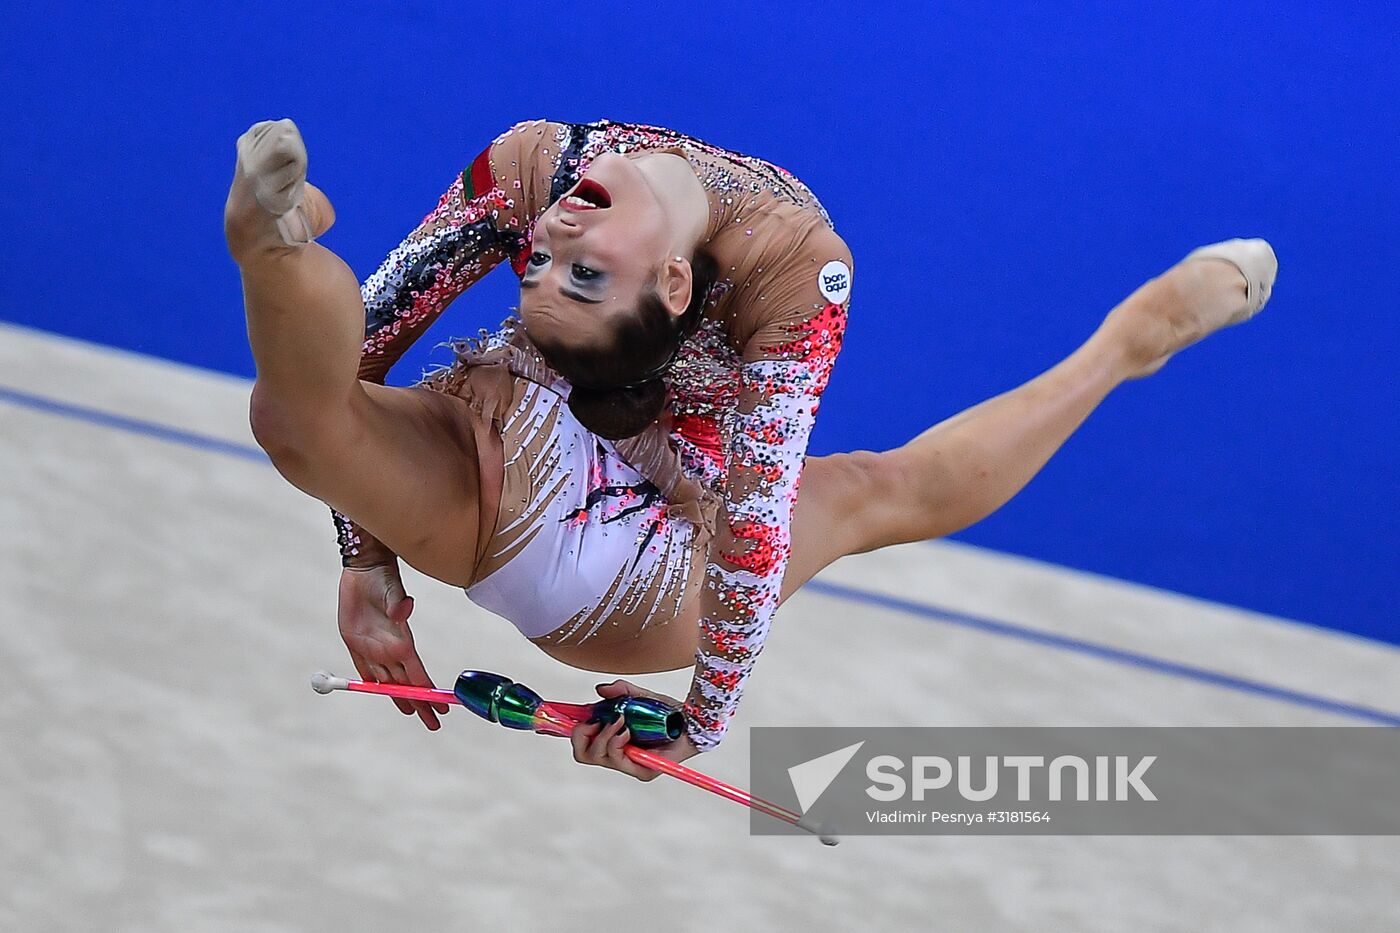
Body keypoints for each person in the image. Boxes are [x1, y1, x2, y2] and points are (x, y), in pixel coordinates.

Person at [224, 117, 1276, 781]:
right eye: (545, 268)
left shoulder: (756, 255)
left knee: (874, 489)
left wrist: (702, 709)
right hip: (527, 463)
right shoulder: (562, 181)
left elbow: (752, 510)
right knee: (300, 419)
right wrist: (363, 560)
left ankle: (1124, 344)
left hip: (647, 547)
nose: (547, 247)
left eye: (568, 272)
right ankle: (272, 239)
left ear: (679, 291)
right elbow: (359, 349)